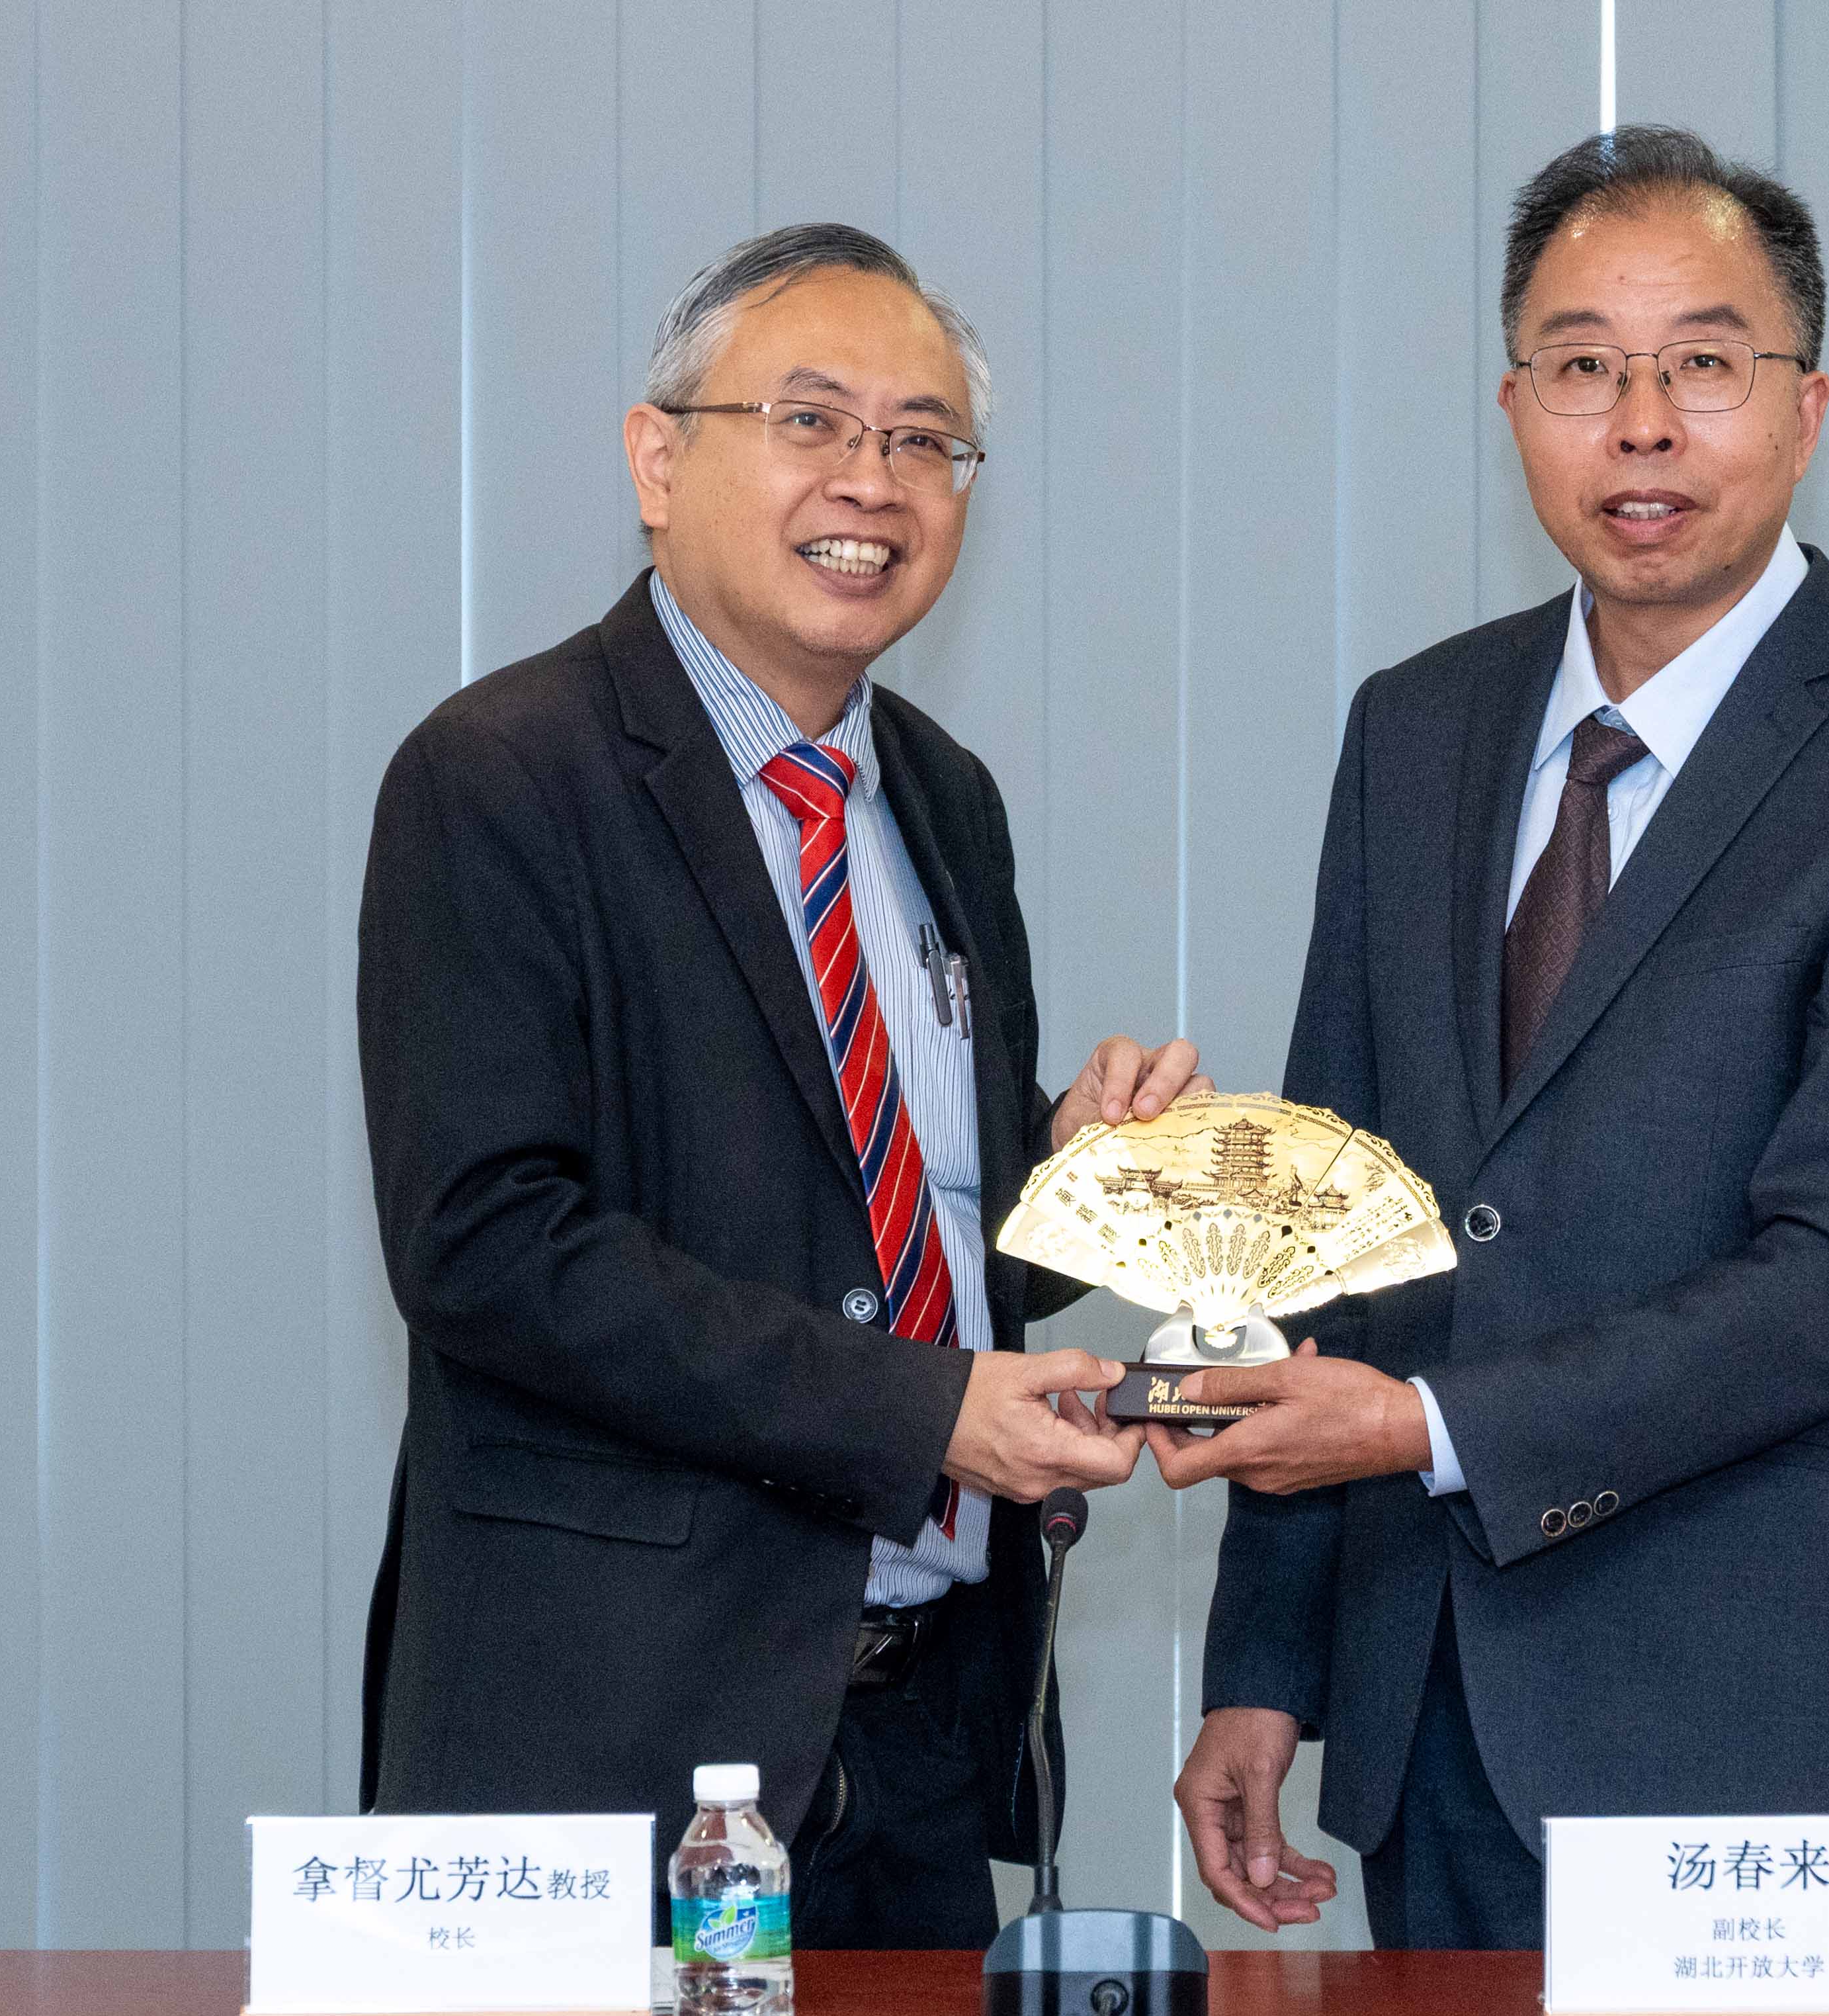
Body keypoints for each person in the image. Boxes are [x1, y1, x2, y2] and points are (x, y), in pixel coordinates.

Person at [1157, 127, 1829, 1950]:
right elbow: (1328, 1216)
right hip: (1430, 1714)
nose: (1640, 426)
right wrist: (1264, 1664)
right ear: (1515, 409)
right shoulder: (1415, 728)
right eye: (1582, 368)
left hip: (1757, 1734)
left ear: (1805, 410)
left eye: (1702, 365)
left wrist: (1425, 1425)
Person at [357, 222, 1204, 1949]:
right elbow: (487, 1246)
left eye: (924, 440)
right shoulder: (503, 775)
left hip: (912, 1740)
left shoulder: (941, 799)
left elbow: (883, 1228)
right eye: (810, 421)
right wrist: (921, 1411)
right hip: (614, 1743)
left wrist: (1064, 1172)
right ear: (657, 460)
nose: (871, 481)